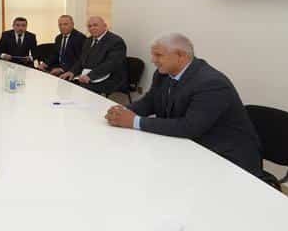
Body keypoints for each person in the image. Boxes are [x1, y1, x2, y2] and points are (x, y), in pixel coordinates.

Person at [104, 33, 263, 177]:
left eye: (158, 55)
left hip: (227, 158)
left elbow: (189, 127)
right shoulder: (163, 73)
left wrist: (135, 121)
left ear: (180, 55)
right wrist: (122, 111)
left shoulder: (211, 83)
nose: (153, 60)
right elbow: (150, 102)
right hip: (188, 147)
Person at [60, 16, 126, 94]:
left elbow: (111, 64)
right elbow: (81, 60)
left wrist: (90, 76)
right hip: (89, 74)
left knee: (79, 89)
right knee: (66, 82)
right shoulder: (88, 40)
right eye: (89, 26)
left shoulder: (116, 41)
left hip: (111, 78)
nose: (92, 28)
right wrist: (72, 72)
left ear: (105, 26)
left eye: (95, 25)